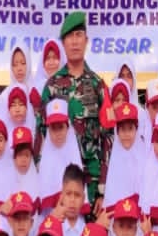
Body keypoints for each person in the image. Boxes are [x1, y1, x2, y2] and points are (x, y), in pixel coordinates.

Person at [36, 12, 109, 204]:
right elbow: (40, 136)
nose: (75, 42)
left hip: (91, 187)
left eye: (79, 35)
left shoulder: (97, 86)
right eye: (70, 36)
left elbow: (108, 139)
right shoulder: (52, 86)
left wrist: (102, 190)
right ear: (63, 43)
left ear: (86, 41)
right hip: (58, 186)